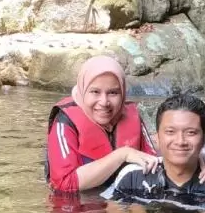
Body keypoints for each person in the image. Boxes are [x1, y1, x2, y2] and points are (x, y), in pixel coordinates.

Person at [46, 56, 159, 193]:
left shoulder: (133, 116)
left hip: (124, 205)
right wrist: (122, 155)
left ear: (122, 93)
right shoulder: (64, 121)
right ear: (83, 91)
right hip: (79, 207)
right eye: (95, 92)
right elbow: (64, 184)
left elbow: (153, 165)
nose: (104, 102)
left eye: (113, 93)